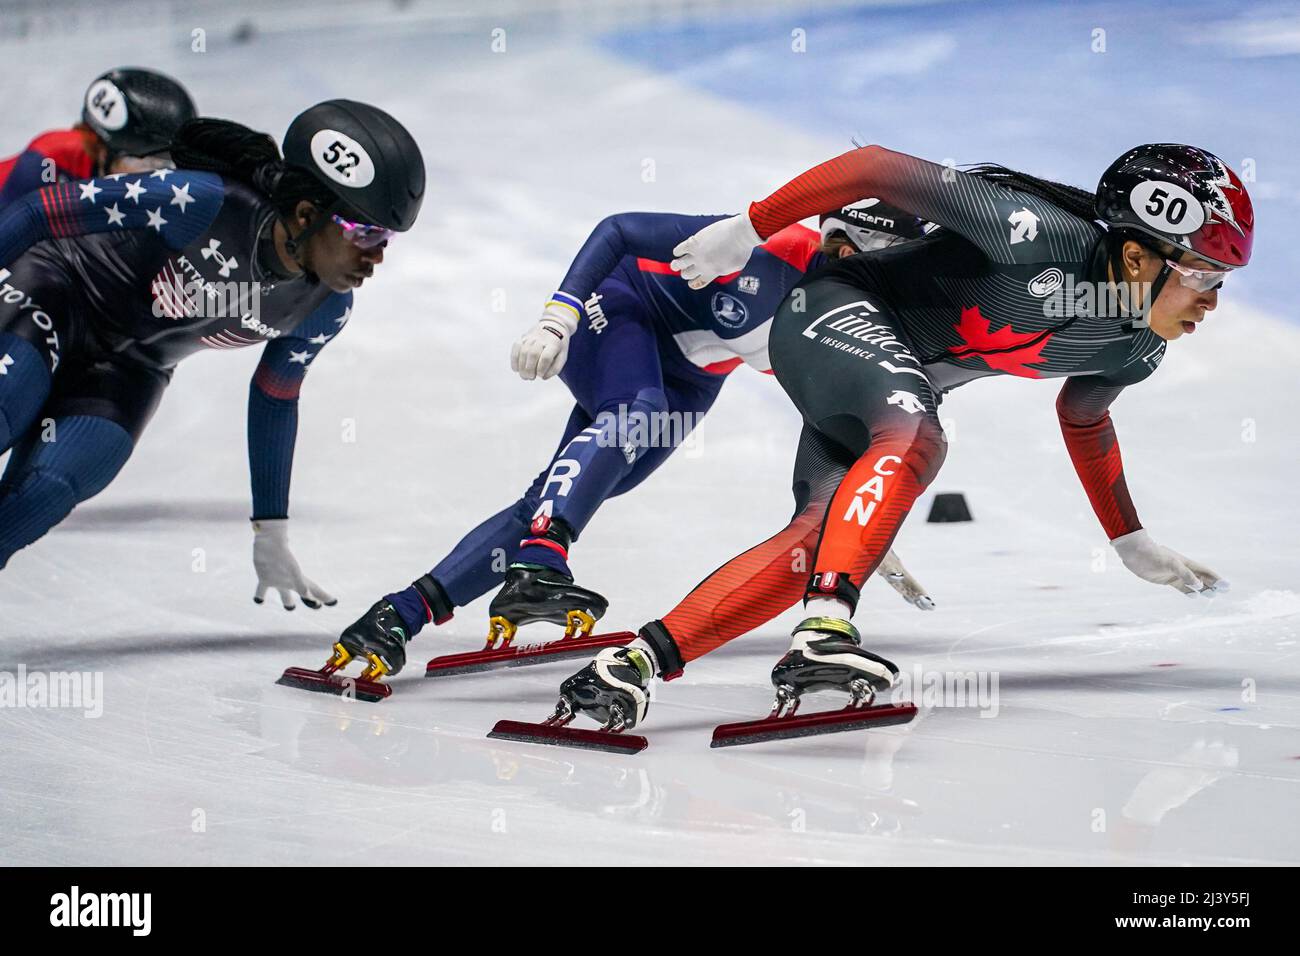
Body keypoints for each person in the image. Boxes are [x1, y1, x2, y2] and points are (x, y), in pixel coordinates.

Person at [547, 143, 1254, 732]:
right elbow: (877, 168)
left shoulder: (1134, 350)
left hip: (876, 378)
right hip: (830, 311)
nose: (1213, 301)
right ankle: (824, 630)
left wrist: (1128, 537)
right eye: (1204, 273)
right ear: (1137, 257)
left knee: (813, 542)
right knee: (916, 433)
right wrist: (749, 227)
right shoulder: (1036, 232)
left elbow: (1086, 418)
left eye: (1223, 281)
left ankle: (629, 666)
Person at [329, 199, 936, 680]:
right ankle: (538, 565)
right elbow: (620, 229)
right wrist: (558, 314)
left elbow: (830, 432)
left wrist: (856, 524)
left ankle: (399, 614)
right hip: (620, 304)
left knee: (567, 492)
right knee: (633, 414)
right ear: (841, 246)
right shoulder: (771, 252)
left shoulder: (853, 324)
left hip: (693, 372)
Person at [0, 99, 425, 616]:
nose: (377, 255)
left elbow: (274, 398)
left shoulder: (324, 308)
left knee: (44, 493)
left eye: (389, 239)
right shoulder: (203, 202)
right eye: (366, 233)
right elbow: (37, 212)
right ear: (307, 215)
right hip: (54, 294)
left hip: (129, 371)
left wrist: (271, 530)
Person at [0, 68, 196, 210]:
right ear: (97, 148)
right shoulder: (47, 163)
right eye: (150, 163)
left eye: (171, 164)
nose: (162, 176)